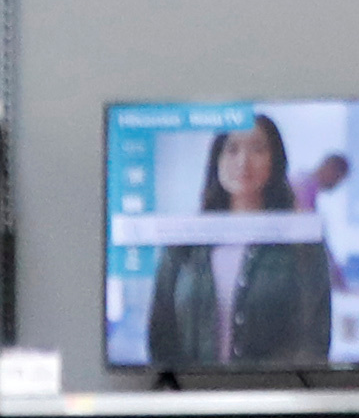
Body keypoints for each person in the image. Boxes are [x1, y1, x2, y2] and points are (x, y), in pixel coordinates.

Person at [144, 116, 339, 368]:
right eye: (232, 149)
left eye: (258, 149)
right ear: (217, 159)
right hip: (192, 398)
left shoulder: (301, 241)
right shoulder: (185, 240)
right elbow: (161, 333)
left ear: (275, 160)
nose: (243, 162)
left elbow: (314, 339)